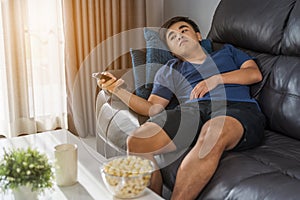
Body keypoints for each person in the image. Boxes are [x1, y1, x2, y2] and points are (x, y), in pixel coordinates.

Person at [99, 16, 265, 200]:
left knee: (213, 132)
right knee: (137, 141)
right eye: (172, 37)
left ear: (198, 36)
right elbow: (153, 108)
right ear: (171, 50)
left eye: (183, 30)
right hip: (192, 111)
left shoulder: (227, 52)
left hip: (236, 108)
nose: (179, 36)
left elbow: (253, 73)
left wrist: (216, 79)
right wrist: (118, 90)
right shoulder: (170, 70)